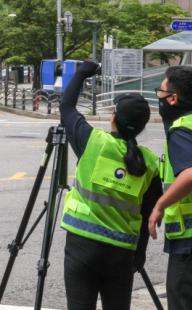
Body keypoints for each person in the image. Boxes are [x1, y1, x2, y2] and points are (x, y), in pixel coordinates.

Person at [59, 61, 163, 310]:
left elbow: (66, 107)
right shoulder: (149, 163)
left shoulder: (94, 142)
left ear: (113, 117)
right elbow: (150, 216)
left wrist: (82, 73)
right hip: (122, 252)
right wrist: (139, 254)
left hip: (82, 247)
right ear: (142, 126)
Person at [148, 66, 192, 310]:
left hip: (189, 240)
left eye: (161, 92)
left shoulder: (182, 129)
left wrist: (159, 205)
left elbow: (189, 174)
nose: (159, 98)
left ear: (173, 99)